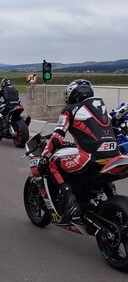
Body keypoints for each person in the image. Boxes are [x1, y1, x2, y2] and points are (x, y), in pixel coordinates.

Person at [39, 79, 120, 223]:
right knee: (101, 170)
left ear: (73, 94)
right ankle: (114, 198)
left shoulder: (70, 110)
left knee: (52, 163)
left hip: (89, 157)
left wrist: (45, 156)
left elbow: (57, 137)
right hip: (114, 156)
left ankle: (70, 201)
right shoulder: (102, 109)